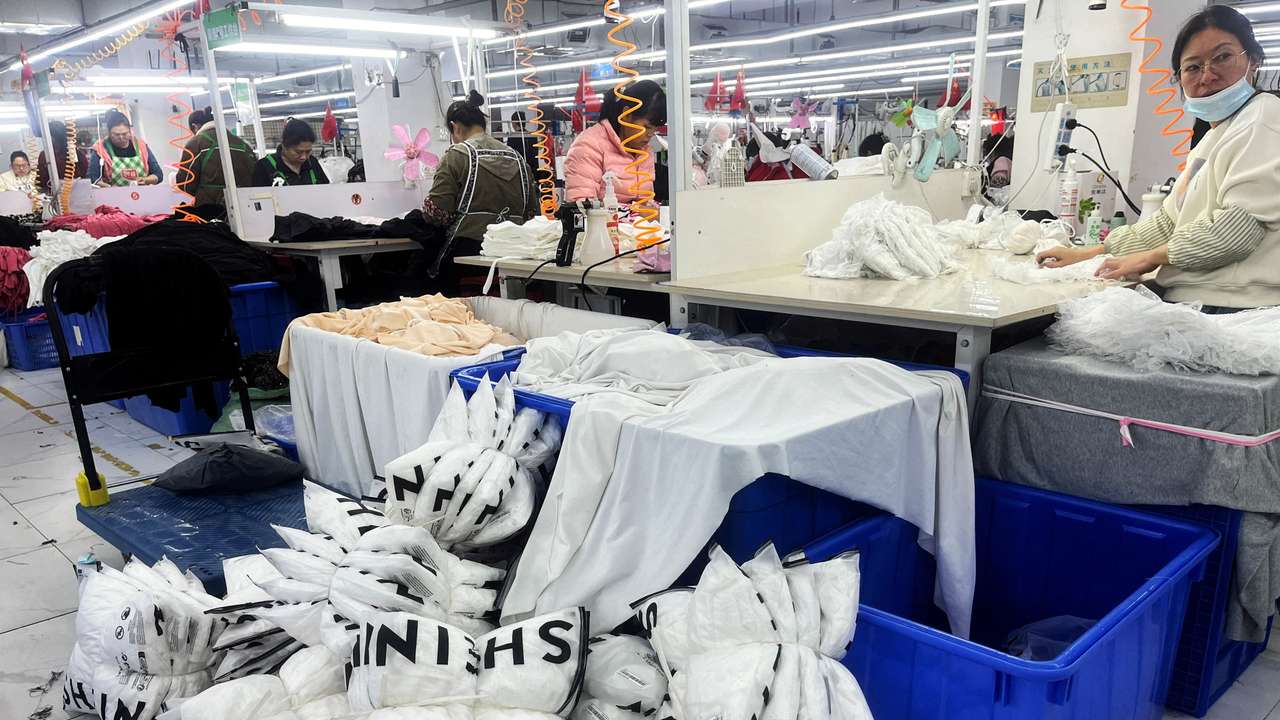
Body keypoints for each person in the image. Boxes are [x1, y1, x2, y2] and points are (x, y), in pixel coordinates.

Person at [1038, 5, 1280, 312]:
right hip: (1198, 301)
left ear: (1253, 61)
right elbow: (1167, 223)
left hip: (1233, 308)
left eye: (1222, 57)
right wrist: (1090, 252)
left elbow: (1235, 232)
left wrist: (1148, 257)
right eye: (1193, 67)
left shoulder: (1264, 118)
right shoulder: (1214, 137)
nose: (1207, 75)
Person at [417, 90, 535, 293]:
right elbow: (533, 213)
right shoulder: (518, 159)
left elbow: (437, 211)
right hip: (516, 254)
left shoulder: (456, 156)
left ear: (455, 127)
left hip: (469, 255)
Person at [564, 79, 666, 203]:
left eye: (654, 130)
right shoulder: (589, 146)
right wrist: (631, 213)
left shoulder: (644, 152)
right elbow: (580, 208)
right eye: (647, 127)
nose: (650, 135)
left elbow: (646, 205)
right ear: (627, 115)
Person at [177, 107, 255, 207]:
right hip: (244, 206)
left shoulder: (195, 143)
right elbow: (254, 176)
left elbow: (185, 183)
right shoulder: (243, 145)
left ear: (194, 126)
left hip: (209, 209)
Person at [90, 110, 163, 187]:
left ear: (130, 131)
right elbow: (92, 179)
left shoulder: (141, 146)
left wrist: (146, 180)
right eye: (116, 134)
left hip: (141, 195)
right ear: (109, 132)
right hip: (113, 197)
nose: (121, 137)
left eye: (124, 134)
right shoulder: (100, 150)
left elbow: (158, 175)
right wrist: (109, 189)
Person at [251, 118, 329, 187]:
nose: (304, 157)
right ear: (284, 146)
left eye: (308, 151)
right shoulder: (264, 167)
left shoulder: (312, 162)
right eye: (298, 152)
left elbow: (326, 191)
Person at [37, 120, 90, 195]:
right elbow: (84, 172)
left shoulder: (45, 155)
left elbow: (41, 179)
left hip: (62, 194)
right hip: (74, 193)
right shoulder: (46, 155)